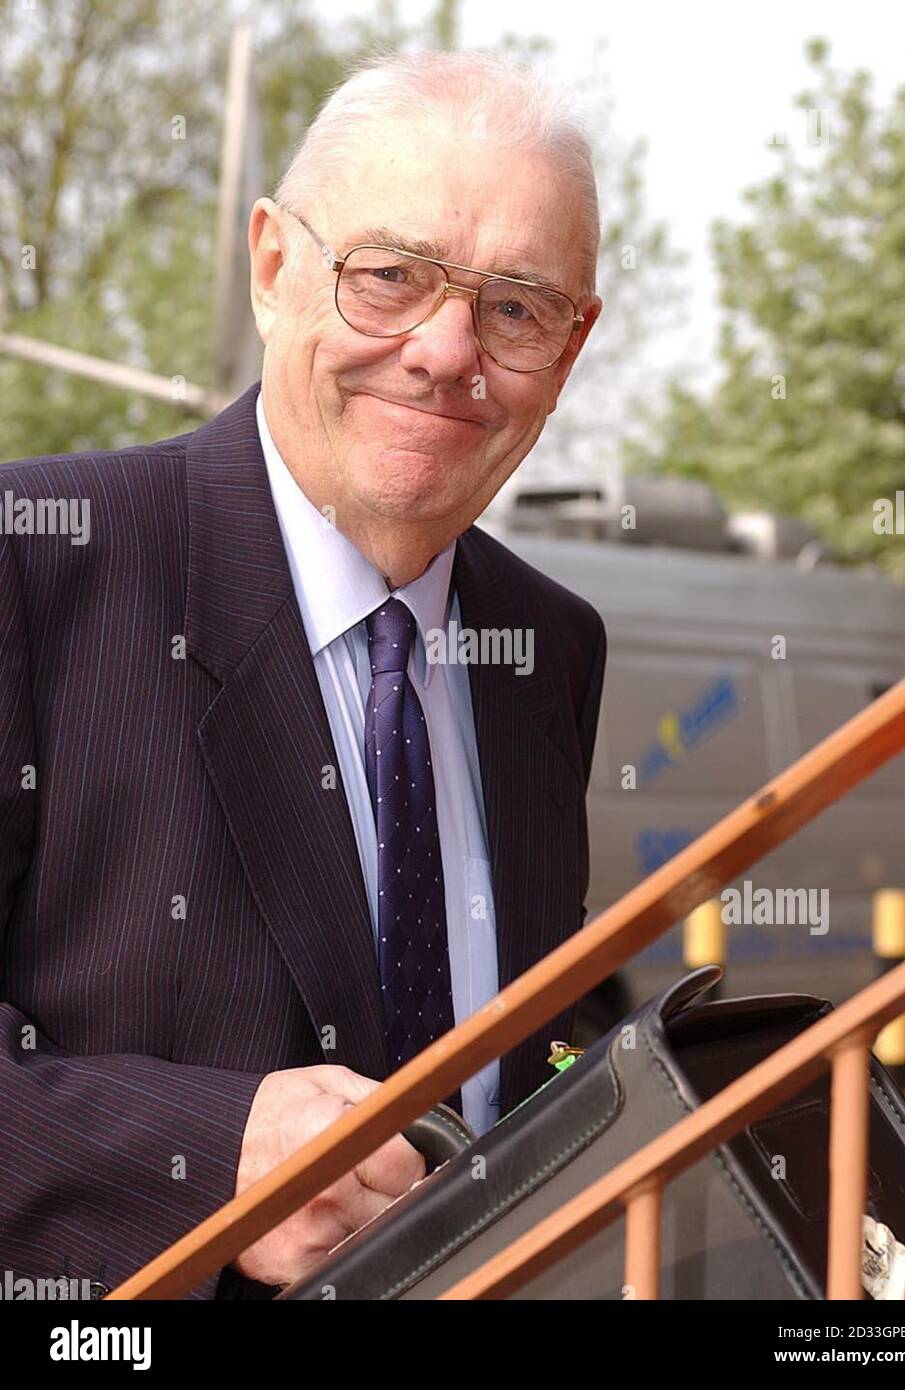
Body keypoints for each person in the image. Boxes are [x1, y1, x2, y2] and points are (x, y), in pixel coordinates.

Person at [0, 48, 606, 1298]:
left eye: (513, 306)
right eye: (388, 277)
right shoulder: (36, 563)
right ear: (274, 266)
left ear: (572, 343)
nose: (446, 352)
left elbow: (523, 1055)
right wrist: (197, 1158)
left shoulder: (549, 646)